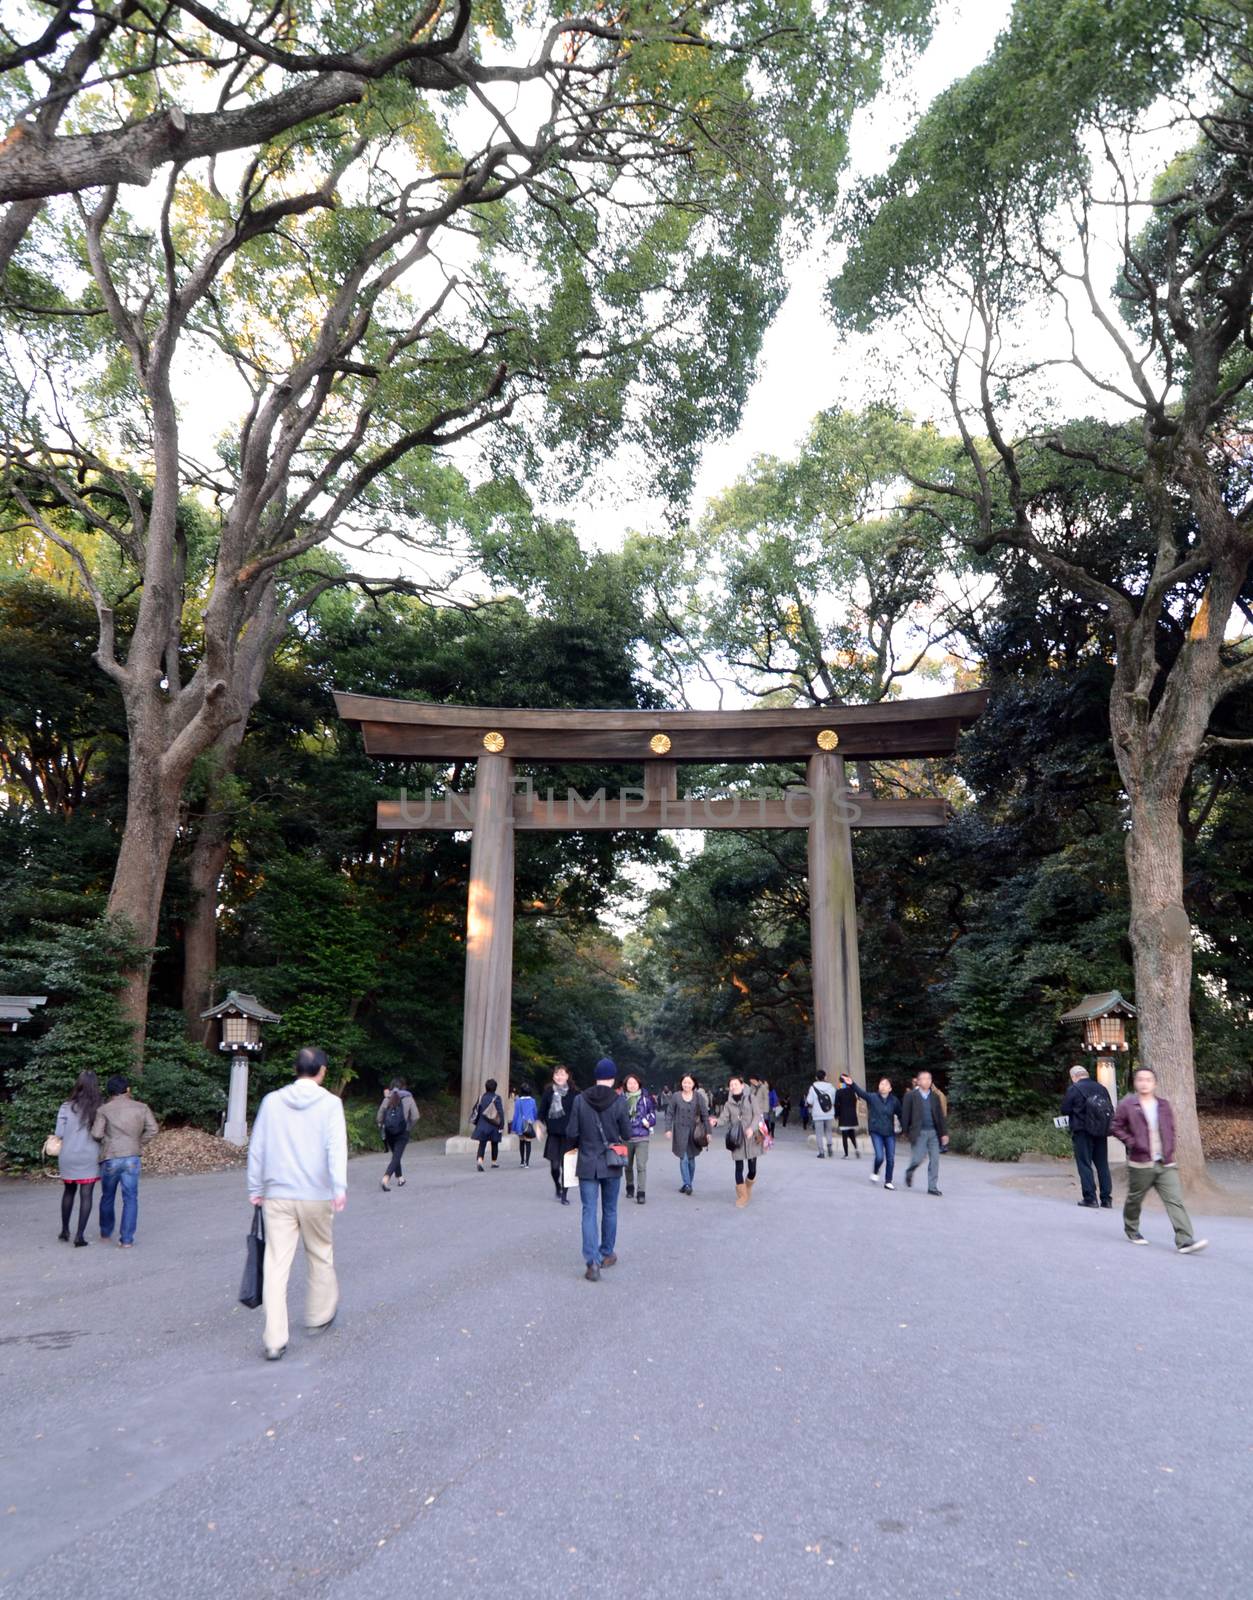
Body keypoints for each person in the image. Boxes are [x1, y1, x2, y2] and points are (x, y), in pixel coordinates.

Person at [247, 1047, 349, 1361]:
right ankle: (319, 1315)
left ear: (296, 1069)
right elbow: (336, 1147)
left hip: (278, 1194)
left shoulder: (272, 1101)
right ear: (322, 1071)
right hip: (316, 1194)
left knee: (276, 1264)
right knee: (320, 1253)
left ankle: (274, 1339)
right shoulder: (331, 1104)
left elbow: (258, 1147)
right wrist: (339, 1186)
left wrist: (255, 1186)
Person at [1111, 1067, 1208, 1253]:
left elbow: (1170, 1129)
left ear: (1155, 1084)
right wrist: (1132, 1142)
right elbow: (1115, 1126)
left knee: (1175, 1201)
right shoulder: (1128, 1105)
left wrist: (1170, 1149)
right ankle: (1131, 1229)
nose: (1144, 1083)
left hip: (1165, 1163)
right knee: (1135, 1199)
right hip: (1141, 1162)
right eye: (1140, 1079)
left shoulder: (1163, 1105)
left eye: (1148, 1080)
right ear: (1136, 1083)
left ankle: (1185, 1240)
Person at [566, 1058, 632, 1281]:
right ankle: (606, 1253)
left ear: (596, 1076)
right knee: (610, 1209)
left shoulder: (580, 1100)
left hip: (587, 1161)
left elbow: (572, 1132)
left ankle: (592, 1263)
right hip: (612, 1162)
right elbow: (628, 1133)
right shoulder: (619, 1101)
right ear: (613, 1078)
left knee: (588, 1211)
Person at [91, 1074, 158, 1248]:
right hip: (132, 1156)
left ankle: (106, 1233)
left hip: (111, 1156)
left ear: (110, 1091)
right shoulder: (141, 1107)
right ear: (127, 1089)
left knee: (107, 1196)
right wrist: (138, 1142)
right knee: (130, 1198)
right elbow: (153, 1129)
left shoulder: (104, 1110)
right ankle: (127, 1239)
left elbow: (97, 1134)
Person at [54, 1070, 102, 1246]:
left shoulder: (66, 1107)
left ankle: (65, 1230)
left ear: (78, 1084)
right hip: (89, 1155)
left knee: (68, 1192)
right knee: (86, 1195)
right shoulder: (100, 1108)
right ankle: (79, 1236)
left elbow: (59, 1133)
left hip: (68, 1155)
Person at [1060, 1065, 1114, 1209]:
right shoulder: (1101, 1088)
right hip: (1101, 1131)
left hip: (1082, 1131)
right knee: (1102, 1164)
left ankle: (1090, 1198)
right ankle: (1106, 1199)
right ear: (1087, 1074)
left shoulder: (1074, 1089)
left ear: (1074, 1077)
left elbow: (1064, 1109)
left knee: (1084, 1164)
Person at [712, 1074, 766, 1207]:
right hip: (736, 1138)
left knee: (752, 1170)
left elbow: (757, 1115)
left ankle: (747, 1188)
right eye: (731, 1085)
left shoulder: (751, 1098)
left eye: (736, 1084)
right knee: (739, 1167)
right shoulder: (728, 1104)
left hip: (752, 1137)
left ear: (742, 1085)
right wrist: (715, 1122)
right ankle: (742, 1196)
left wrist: (751, 1129)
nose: (733, 1087)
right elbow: (723, 1119)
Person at [901, 1070, 948, 1195]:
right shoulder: (910, 1096)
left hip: (933, 1133)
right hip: (919, 1132)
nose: (927, 1081)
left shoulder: (935, 1097)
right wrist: (905, 1131)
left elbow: (940, 1116)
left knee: (935, 1159)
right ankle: (909, 1171)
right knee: (917, 1158)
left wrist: (944, 1133)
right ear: (918, 1081)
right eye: (924, 1079)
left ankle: (932, 1187)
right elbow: (905, 1114)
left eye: (929, 1079)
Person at [854, 1077, 903, 1188]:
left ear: (890, 1088)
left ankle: (888, 1181)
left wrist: (905, 1127)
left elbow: (901, 1114)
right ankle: (875, 1171)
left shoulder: (894, 1101)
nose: (883, 1086)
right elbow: (861, 1093)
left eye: (886, 1084)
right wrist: (851, 1083)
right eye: (881, 1084)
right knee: (880, 1156)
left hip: (890, 1132)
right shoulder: (872, 1097)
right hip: (876, 1131)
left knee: (890, 1158)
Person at [538, 1067, 577, 1204]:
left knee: (566, 1166)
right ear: (553, 1077)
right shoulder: (548, 1092)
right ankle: (557, 1186)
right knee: (555, 1166)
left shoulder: (574, 1094)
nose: (559, 1077)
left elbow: (579, 1113)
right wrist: (538, 1125)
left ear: (567, 1076)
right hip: (553, 1135)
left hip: (569, 1136)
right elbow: (541, 1112)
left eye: (562, 1074)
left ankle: (564, 1195)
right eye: (556, 1074)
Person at [667, 1073, 710, 1194]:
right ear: (681, 1083)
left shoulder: (698, 1097)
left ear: (694, 1084)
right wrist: (668, 1129)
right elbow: (669, 1113)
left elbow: (705, 1115)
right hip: (680, 1131)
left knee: (691, 1159)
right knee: (683, 1158)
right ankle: (687, 1184)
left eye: (689, 1082)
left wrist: (708, 1132)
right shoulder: (676, 1096)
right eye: (684, 1082)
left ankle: (687, 1183)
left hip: (694, 1132)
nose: (686, 1084)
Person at [377, 1078, 419, 1191]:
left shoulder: (387, 1098)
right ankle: (386, 1178)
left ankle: (400, 1178)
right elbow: (415, 1116)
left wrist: (382, 1125)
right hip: (402, 1131)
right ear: (404, 1087)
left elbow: (379, 1116)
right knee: (397, 1155)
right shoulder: (409, 1098)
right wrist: (408, 1127)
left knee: (396, 1154)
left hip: (389, 1131)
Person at [622, 1073, 657, 1204]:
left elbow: (652, 1114)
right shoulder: (621, 1099)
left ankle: (641, 1192)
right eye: (629, 1083)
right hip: (626, 1137)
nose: (632, 1085)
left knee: (641, 1165)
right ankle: (629, 1186)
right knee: (627, 1166)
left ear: (639, 1084)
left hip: (642, 1136)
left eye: (634, 1083)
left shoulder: (645, 1099)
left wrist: (649, 1122)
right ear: (626, 1085)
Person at [471, 1078, 505, 1171]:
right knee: (494, 1143)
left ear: (486, 1087)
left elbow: (475, 1109)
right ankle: (494, 1162)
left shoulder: (481, 1097)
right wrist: (501, 1125)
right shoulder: (497, 1098)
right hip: (494, 1125)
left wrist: (476, 1122)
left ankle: (480, 1160)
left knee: (482, 1144)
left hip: (482, 1124)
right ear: (495, 1088)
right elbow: (500, 1112)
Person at [806, 1070, 836, 1158]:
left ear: (816, 1078)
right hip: (829, 1112)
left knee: (819, 1133)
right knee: (828, 1131)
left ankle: (821, 1152)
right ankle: (829, 1145)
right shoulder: (831, 1088)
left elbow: (809, 1101)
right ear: (825, 1077)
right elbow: (833, 1101)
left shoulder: (812, 1088)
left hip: (817, 1114)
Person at [511, 1082, 539, 1168]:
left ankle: (522, 1161)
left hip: (520, 1124)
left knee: (521, 1142)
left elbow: (515, 1115)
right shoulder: (533, 1101)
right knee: (528, 1142)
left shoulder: (518, 1101)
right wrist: (535, 1121)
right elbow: (535, 1113)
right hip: (529, 1124)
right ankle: (527, 1162)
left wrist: (513, 1127)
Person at [834, 1074, 861, 1158]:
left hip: (843, 1115)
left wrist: (837, 1114)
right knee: (852, 1133)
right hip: (852, 1115)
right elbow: (857, 1100)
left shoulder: (839, 1091)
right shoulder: (853, 1090)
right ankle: (856, 1149)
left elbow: (836, 1104)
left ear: (840, 1081)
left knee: (844, 1135)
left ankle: (846, 1154)